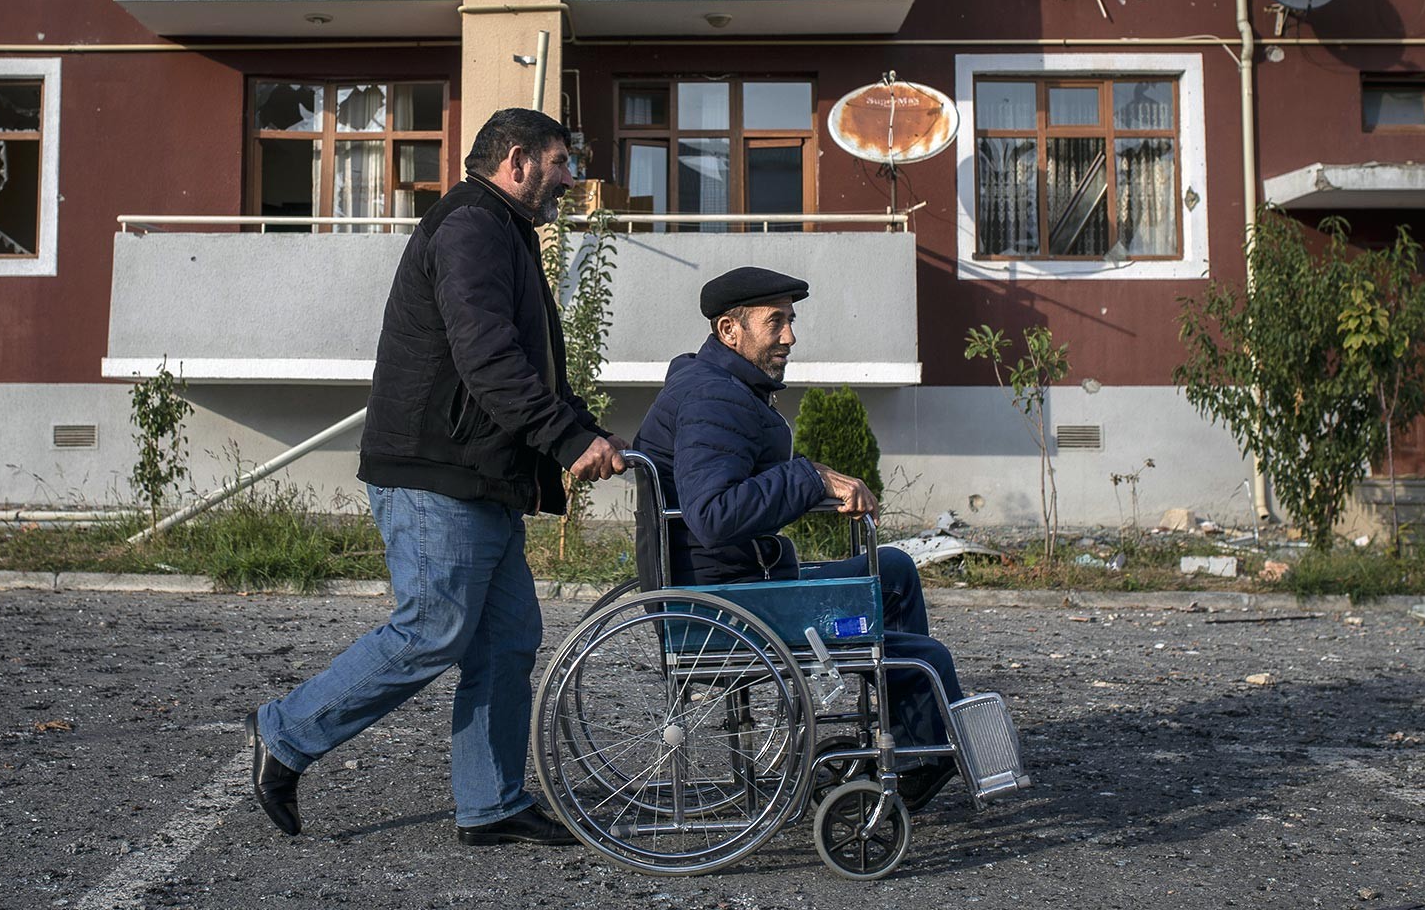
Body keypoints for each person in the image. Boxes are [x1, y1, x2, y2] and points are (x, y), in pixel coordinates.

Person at [246, 107, 626, 846]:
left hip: (479, 475)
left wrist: (585, 428)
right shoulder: (470, 228)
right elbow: (488, 361)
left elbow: (532, 361)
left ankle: (491, 803)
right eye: (559, 163)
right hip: (435, 473)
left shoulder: (502, 231)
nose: (570, 179)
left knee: (509, 639)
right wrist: (564, 438)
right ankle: (284, 734)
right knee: (433, 629)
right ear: (516, 160)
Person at [631, 266, 964, 809]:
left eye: (791, 320)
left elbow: (736, 487)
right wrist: (807, 479)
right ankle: (919, 753)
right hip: (725, 604)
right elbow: (714, 514)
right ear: (728, 330)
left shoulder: (721, 386)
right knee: (925, 653)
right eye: (776, 321)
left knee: (896, 569)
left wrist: (813, 479)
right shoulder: (715, 399)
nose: (790, 335)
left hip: (736, 583)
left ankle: (911, 749)